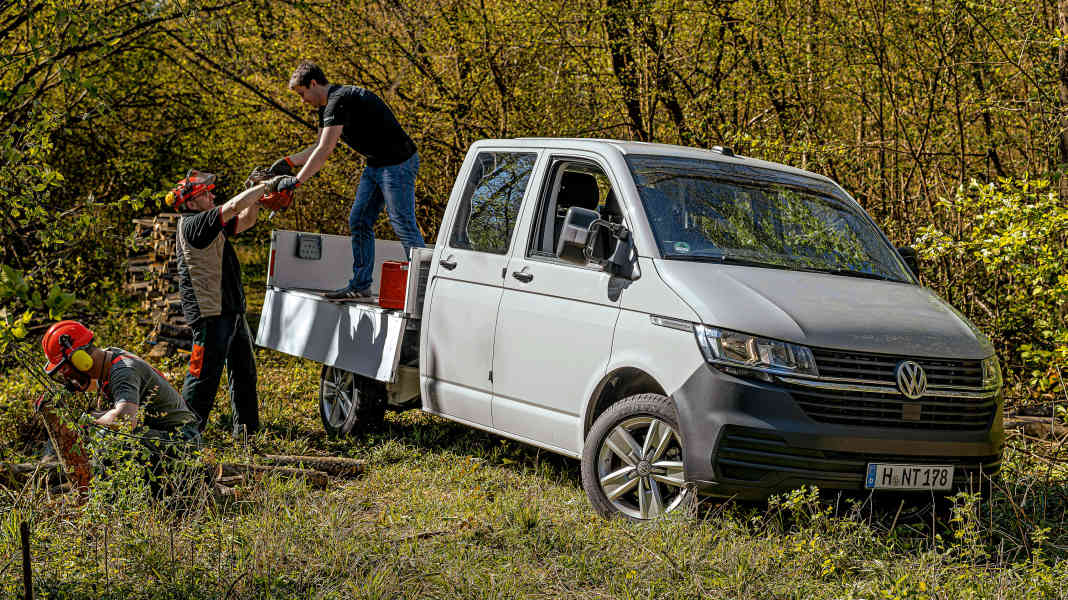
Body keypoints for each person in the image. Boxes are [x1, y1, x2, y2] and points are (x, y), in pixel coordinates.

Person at [269, 60, 425, 300]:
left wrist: (296, 181)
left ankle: (424, 290)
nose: (303, 101)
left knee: (402, 222)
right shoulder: (327, 107)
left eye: (302, 94)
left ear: (313, 83)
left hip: (398, 163)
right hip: (376, 165)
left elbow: (325, 151)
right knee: (359, 220)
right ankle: (360, 285)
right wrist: (288, 162)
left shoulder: (339, 100)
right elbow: (318, 146)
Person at [165, 169, 269, 437]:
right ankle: (185, 437)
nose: (211, 196)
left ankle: (247, 434)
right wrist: (267, 184)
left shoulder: (208, 223)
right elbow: (234, 206)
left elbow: (245, 219)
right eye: (204, 194)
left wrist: (257, 195)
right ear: (190, 203)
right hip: (211, 313)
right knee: (202, 379)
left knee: (244, 374)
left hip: (230, 310)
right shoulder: (193, 223)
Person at [41, 320, 201, 448]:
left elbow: (124, 422)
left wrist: (88, 420)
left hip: (183, 441)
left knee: (108, 436)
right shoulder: (109, 360)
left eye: (67, 371)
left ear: (81, 360)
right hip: (167, 435)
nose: (70, 379)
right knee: (99, 431)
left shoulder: (123, 370)